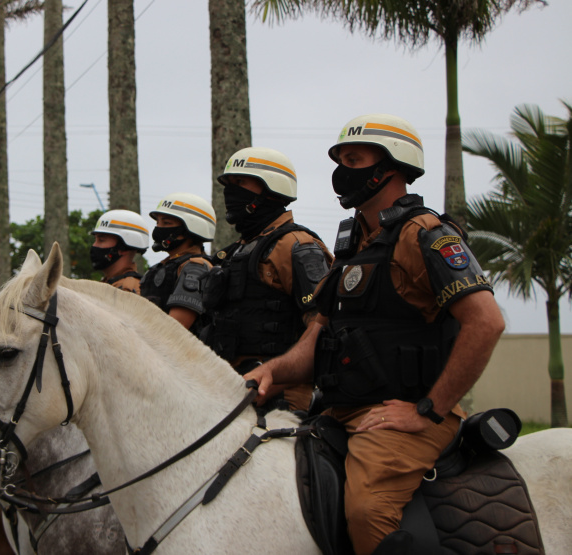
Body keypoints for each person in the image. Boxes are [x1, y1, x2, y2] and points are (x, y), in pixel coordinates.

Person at [244, 114, 505, 555]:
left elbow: (487, 322)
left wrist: (429, 411)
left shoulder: (425, 233)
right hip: (340, 412)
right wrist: (268, 372)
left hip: (402, 419)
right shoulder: (352, 247)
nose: (342, 171)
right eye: (340, 160)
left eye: (354, 159)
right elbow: (316, 341)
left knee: (367, 512)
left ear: (391, 166)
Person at [200, 147, 332, 413]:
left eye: (240, 183)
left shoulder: (296, 245)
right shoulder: (234, 252)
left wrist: (276, 379)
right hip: (225, 389)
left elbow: (323, 330)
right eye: (229, 184)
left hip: (278, 399)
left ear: (270, 189)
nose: (231, 192)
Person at [140, 192, 216, 332]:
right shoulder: (159, 267)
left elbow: (175, 330)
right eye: (158, 222)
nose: (158, 228)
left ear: (192, 227)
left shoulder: (196, 268)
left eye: (167, 223)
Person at [89, 209, 150, 294]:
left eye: (101, 240)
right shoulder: (111, 283)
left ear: (123, 248)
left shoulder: (126, 290)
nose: (94, 245)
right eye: (95, 240)